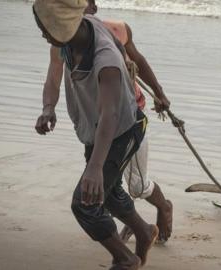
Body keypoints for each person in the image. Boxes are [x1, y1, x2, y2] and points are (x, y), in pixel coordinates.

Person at [32, 0, 155, 268]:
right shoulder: (66, 42)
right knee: (107, 193)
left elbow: (110, 114)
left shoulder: (105, 58)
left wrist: (95, 166)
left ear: (61, 25)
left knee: (85, 203)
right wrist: (48, 108)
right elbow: (52, 78)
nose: (42, 33)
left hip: (123, 130)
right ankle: (144, 231)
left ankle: (125, 259)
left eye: (45, 28)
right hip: (95, 129)